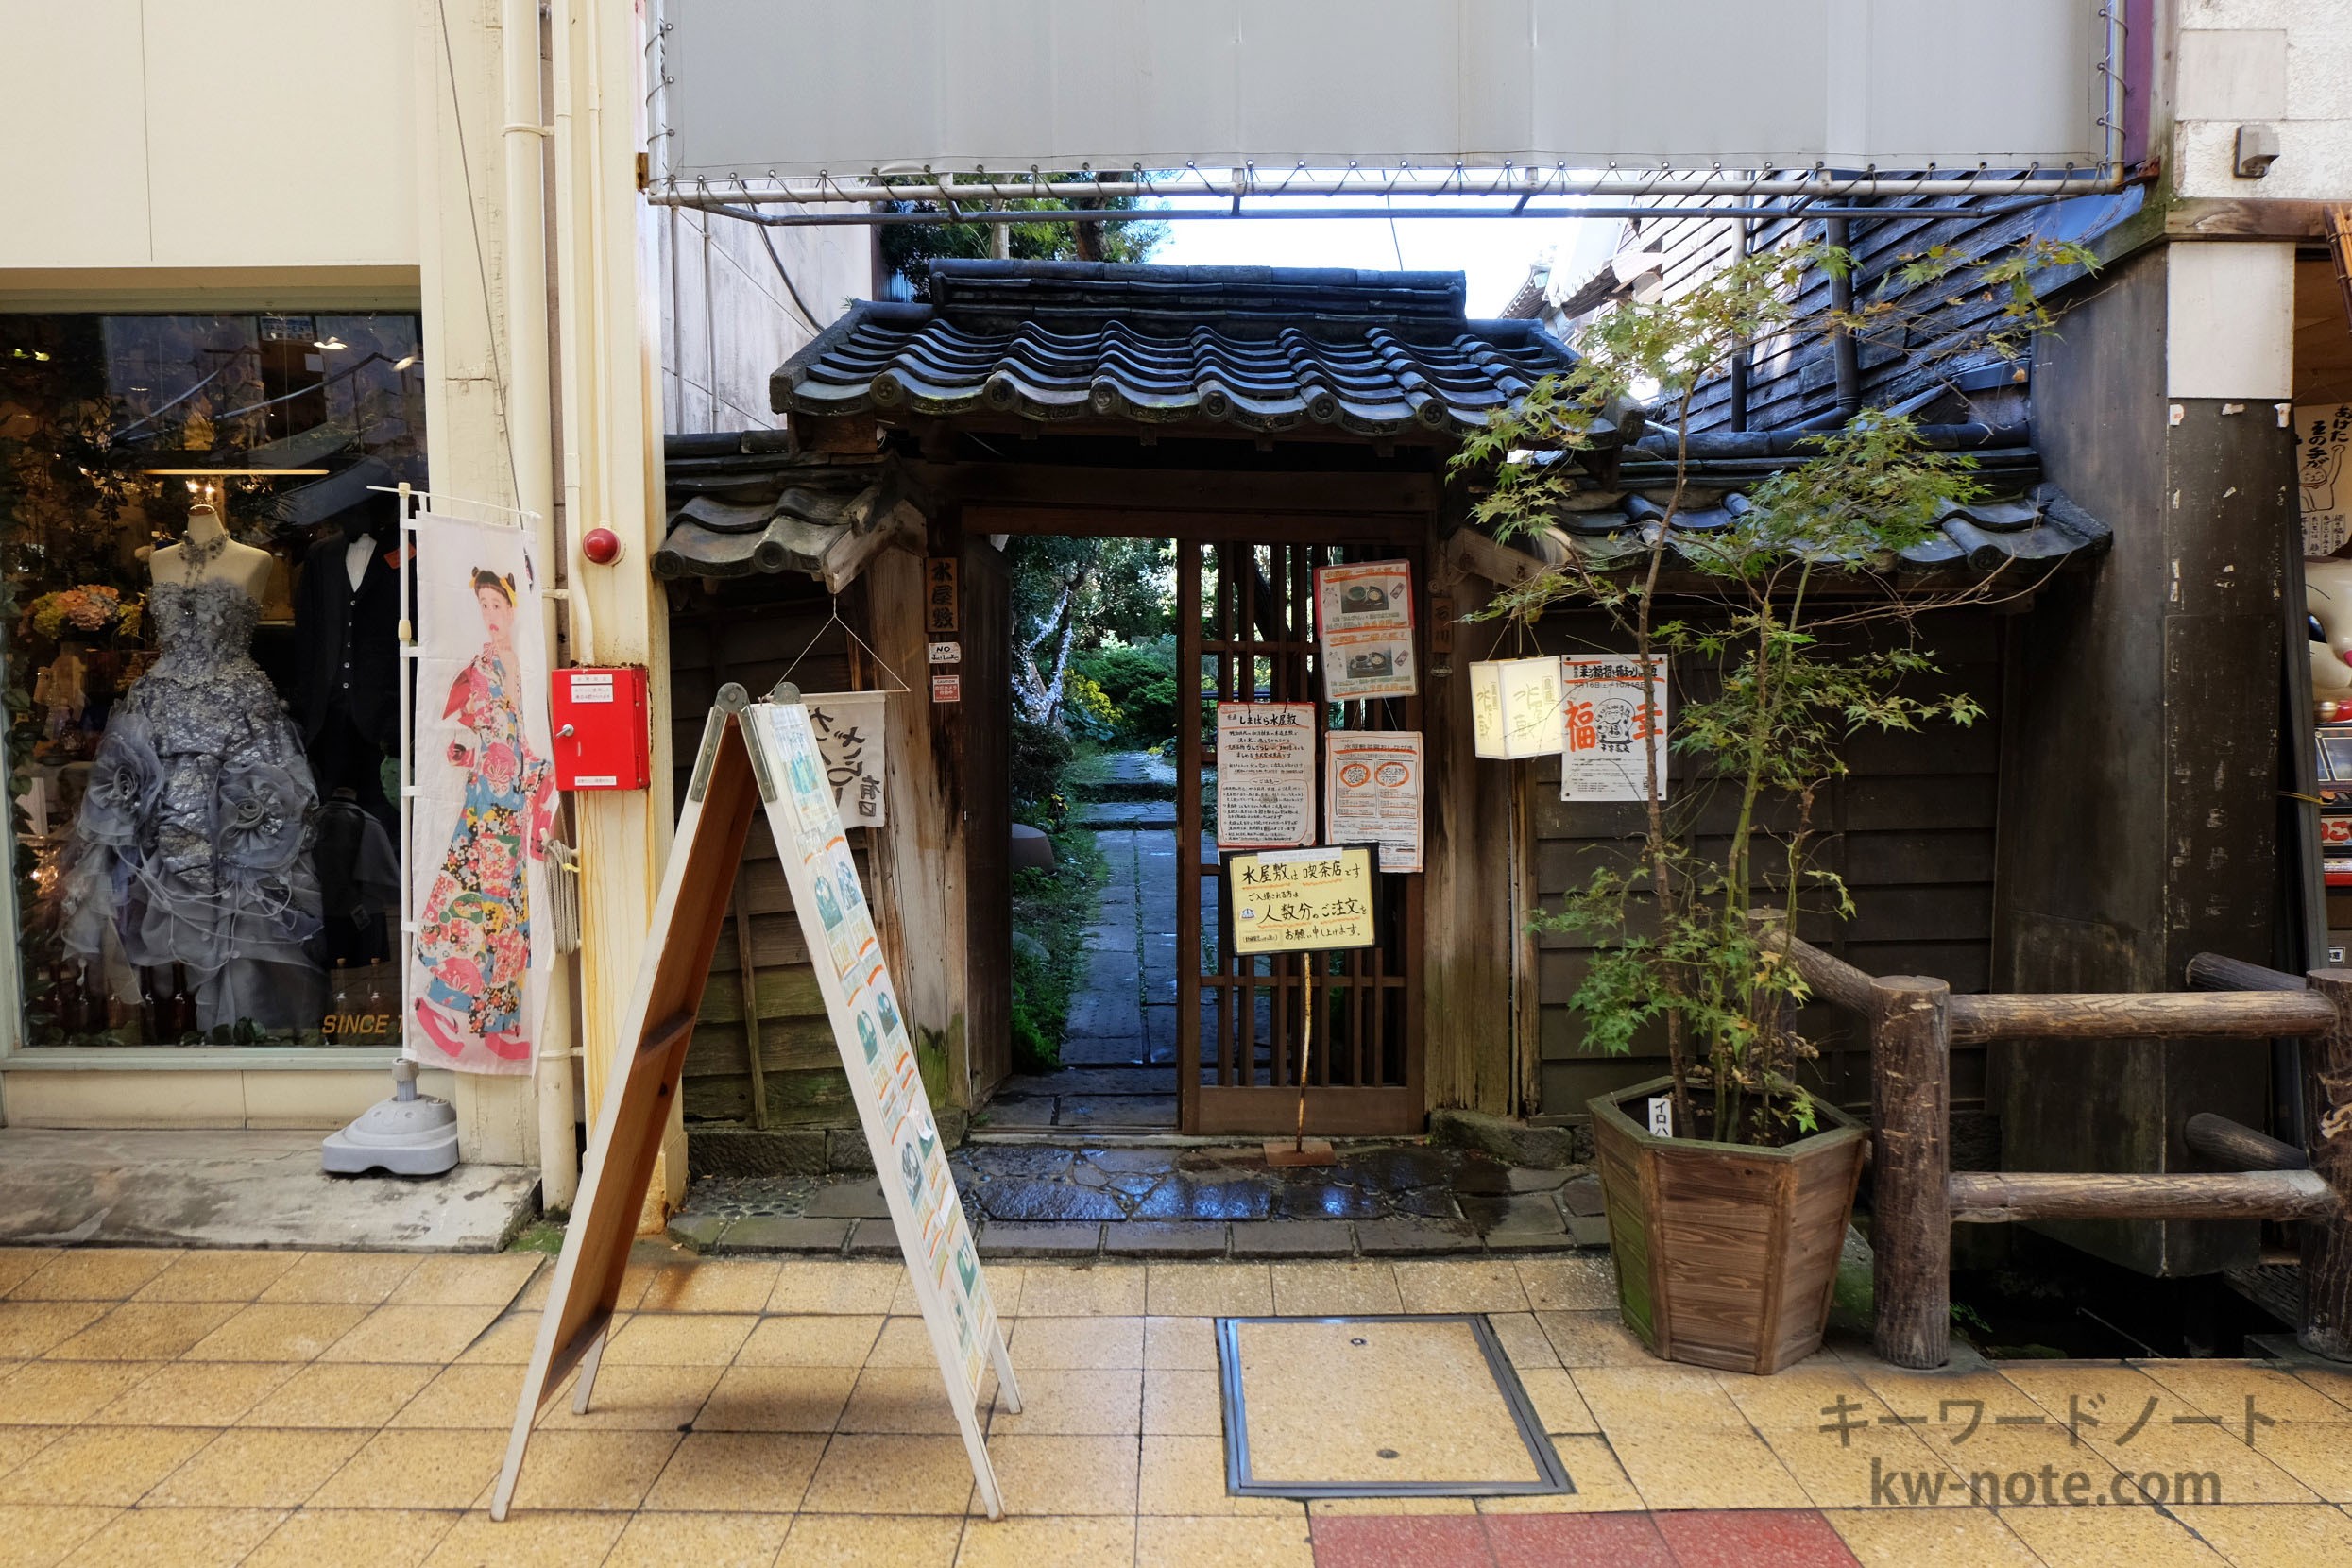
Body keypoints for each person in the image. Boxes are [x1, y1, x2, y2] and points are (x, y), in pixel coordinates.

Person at [413, 569, 554, 1063]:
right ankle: (436, 1004)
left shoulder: (526, 666)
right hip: (487, 812)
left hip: (518, 806)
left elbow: (532, 745)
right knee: (472, 908)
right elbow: (471, 740)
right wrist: (467, 754)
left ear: (514, 610)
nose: (491, 616)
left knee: (513, 915)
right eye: (484, 606)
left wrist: (539, 810)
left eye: (498, 606)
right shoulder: (483, 666)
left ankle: (498, 1022)